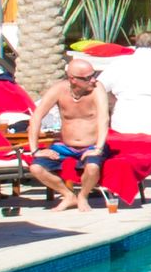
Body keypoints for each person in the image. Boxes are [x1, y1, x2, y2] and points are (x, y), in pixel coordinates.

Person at [23, 55, 116, 213]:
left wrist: (99, 148)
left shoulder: (97, 89)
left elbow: (103, 118)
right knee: (36, 168)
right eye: (88, 77)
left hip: (92, 145)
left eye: (94, 75)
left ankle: (83, 196)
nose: (93, 80)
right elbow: (36, 116)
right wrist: (35, 150)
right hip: (66, 146)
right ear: (73, 79)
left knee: (92, 166)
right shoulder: (59, 90)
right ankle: (68, 195)